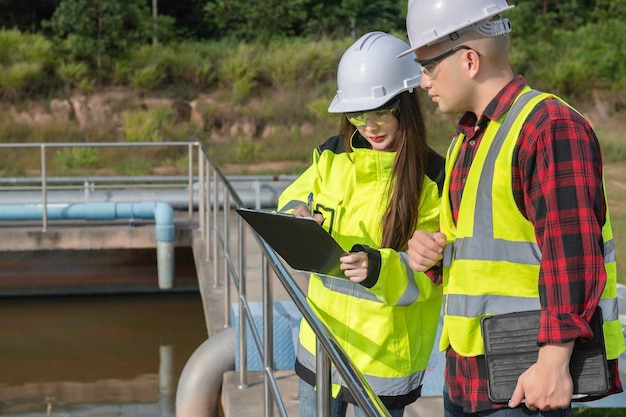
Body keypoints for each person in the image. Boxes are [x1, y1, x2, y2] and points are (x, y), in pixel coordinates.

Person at [400, 1, 625, 416]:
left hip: (525, 383)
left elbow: (571, 252)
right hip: (467, 378)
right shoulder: (465, 141)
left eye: (428, 65)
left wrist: (555, 361)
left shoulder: (549, 126)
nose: (422, 81)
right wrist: (431, 253)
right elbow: (481, 253)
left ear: (469, 60)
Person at [276, 31, 445, 417]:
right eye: (357, 114)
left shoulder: (435, 180)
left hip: (384, 358)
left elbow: (432, 275)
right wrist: (297, 216)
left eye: (382, 110)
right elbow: (291, 197)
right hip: (321, 341)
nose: (369, 126)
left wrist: (378, 269)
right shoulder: (331, 156)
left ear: (407, 102)